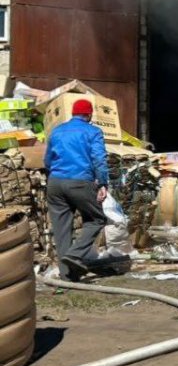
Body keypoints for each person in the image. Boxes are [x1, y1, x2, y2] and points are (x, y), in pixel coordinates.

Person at [45, 98, 110, 281]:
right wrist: (103, 183)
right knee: (97, 219)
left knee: (62, 229)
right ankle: (74, 255)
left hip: (55, 183)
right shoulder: (93, 132)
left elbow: (48, 160)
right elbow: (99, 159)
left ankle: (68, 277)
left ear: (73, 113)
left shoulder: (56, 131)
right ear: (89, 114)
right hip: (80, 182)